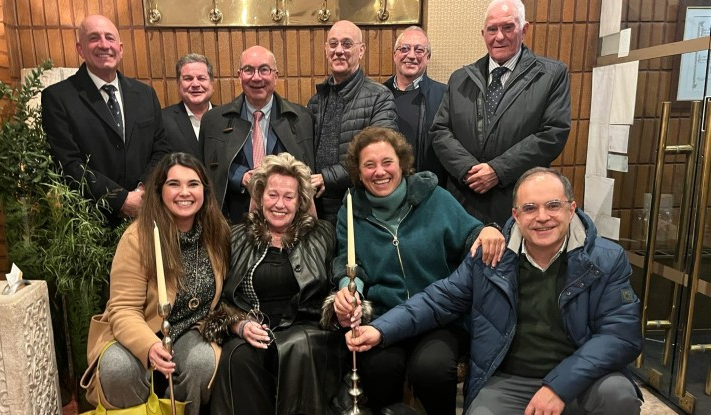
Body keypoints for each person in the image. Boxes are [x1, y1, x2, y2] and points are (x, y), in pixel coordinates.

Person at [348, 167, 643, 415]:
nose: (542, 217)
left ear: (571, 208)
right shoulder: (490, 257)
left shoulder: (606, 259)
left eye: (553, 205)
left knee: (618, 396)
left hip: (580, 378)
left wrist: (558, 386)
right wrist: (381, 329)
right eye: (530, 208)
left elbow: (621, 335)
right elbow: (438, 300)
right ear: (516, 214)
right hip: (509, 380)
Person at [328, 127, 505, 414]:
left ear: (402, 164)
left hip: (439, 318)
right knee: (378, 368)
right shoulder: (350, 210)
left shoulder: (434, 198)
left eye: (387, 162)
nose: (379, 172)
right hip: (384, 316)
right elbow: (350, 265)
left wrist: (489, 230)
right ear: (358, 173)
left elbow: (472, 236)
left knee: (431, 369)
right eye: (369, 165)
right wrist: (350, 294)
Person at [81, 153, 231, 414]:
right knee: (117, 368)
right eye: (174, 184)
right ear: (159, 191)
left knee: (203, 362)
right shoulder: (138, 238)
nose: (184, 192)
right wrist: (149, 346)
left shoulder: (217, 233)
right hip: (142, 328)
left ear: (205, 191)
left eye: (193, 184)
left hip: (190, 329)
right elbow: (124, 309)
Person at [208, 153, 341, 415]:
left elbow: (335, 286)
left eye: (289, 197)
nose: (280, 204)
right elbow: (218, 297)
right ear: (260, 197)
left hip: (306, 329)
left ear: (300, 201)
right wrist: (238, 324)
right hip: (253, 329)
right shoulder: (236, 236)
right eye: (272, 195)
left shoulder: (322, 233)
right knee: (237, 356)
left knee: (297, 347)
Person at [431, 0, 570, 225]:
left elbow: (553, 133)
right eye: (492, 29)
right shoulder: (460, 78)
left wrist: (498, 170)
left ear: (524, 29)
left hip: (518, 200)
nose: (499, 37)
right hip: (464, 200)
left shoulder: (550, 75)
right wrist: (468, 170)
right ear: (483, 33)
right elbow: (440, 131)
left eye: (508, 27)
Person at [42, 14, 170, 227]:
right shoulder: (58, 98)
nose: (104, 45)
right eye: (94, 38)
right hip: (92, 222)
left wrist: (143, 190)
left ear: (120, 48)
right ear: (80, 49)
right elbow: (67, 162)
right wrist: (120, 200)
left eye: (110, 38)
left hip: (145, 215)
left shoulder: (145, 94)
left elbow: (161, 149)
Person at [200, 46, 314, 223]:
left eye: (264, 70)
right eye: (248, 70)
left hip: (288, 221)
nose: (256, 77)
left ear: (275, 76)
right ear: (239, 76)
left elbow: (307, 169)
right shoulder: (214, 120)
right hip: (233, 220)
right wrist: (241, 176)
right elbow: (207, 170)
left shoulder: (301, 119)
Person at [308, 20, 397, 224]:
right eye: (333, 44)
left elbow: (378, 157)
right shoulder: (316, 101)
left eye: (347, 44)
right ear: (326, 49)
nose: (339, 50)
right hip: (318, 209)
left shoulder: (379, 97)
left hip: (360, 209)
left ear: (361, 50)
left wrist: (327, 178)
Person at [383, 26, 448, 186]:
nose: (411, 55)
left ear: (428, 57)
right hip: (385, 185)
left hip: (429, 187)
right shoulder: (378, 94)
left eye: (419, 50)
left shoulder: (445, 95)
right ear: (395, 55)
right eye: (404, 49)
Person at [163, 54, 214, 156]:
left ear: (212, 83)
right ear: (178, 84)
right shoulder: (163, 120)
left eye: (201, 78)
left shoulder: (227, 118)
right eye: (188, 79)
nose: (195, 84)